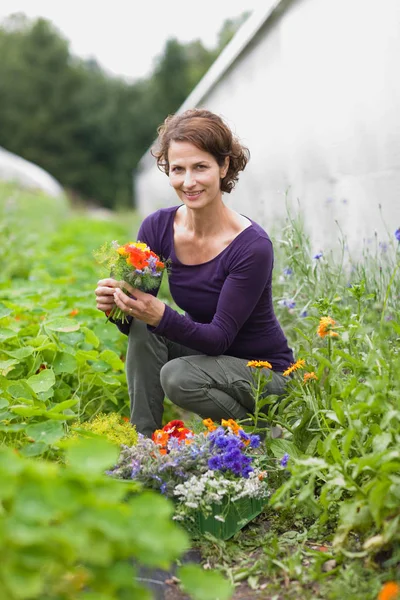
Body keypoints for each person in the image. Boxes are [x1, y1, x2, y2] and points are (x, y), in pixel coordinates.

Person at [95, 108, 294, 438]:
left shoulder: (251, 246)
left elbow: (218, 339)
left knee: (178, 376)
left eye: (200, 167)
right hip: (207, 357)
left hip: (262, 373)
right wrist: (117, 307)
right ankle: (143, 446)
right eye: (178, 169)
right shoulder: (158, 227)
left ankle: (259, 434)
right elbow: (136, 325)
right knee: (146, 326)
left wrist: (159, 315)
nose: (188, 182)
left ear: (224, 166)